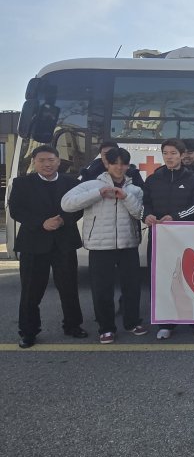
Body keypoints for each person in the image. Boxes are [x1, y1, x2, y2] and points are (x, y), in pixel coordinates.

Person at [61, 148, 147, 343]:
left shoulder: (135, 190)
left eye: (123, 163)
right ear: (106, 164)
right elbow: (67, 203)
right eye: (114, 163)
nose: (119, 167)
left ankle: (132, 322)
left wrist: (125, 197)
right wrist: (98, 193)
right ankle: (106, 328)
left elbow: (139, 214)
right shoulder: (90, 185)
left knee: (132, 288)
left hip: (128, 244)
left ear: (128, 166)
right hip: (100, 247)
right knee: (102, 290)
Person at [9, 145, 87, 348]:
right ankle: (28, 332)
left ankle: (73, 325)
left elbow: (79, 208)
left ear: (58, 162)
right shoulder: (22, 183)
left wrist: (63, 220)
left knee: (69, 288)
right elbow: (16, 210)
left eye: (51, 160)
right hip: (33, 244)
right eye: (42, 160)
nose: (47, 164)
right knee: (31, 291)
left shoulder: (71, 183)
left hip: (64, 242)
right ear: (34, 163)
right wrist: (41, 223)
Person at [142, 138, 194, 339]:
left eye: (173, 153)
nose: (169, 157)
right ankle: (166, 322)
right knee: (162, 279)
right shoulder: (153, 179)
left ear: (182, 155)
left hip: (185, 237)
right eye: (166, 153)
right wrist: (147, 216)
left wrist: (176, 217)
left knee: (189, 278)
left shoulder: (193, 179)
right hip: (159, 238)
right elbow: (145, 204)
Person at [80, 140, 145, 188]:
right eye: (105, 154)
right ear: (101, 155)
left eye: (112, 154)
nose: (108, 157)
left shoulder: (132, 174)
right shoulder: (89, 174)